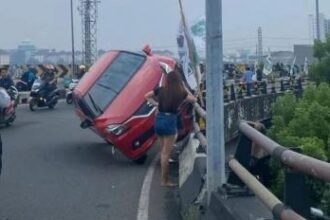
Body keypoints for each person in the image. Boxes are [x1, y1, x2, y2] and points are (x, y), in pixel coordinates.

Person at [144, 70, 196, 187]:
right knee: (165, 154)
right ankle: (164, 180)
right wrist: (184, 88)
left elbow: (146, 96)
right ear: (178, 81)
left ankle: (164, 177)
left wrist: (156, 104)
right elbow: (193, 99)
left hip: (159, 120)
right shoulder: (180, 92)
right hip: (169, 122)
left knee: (163, 150)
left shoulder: (161, 89)